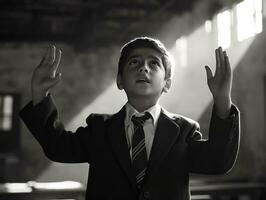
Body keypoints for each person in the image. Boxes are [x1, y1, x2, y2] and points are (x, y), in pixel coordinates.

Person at [20, 37, 240, 200]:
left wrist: (222, 100)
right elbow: (58, 146)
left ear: (167, 84)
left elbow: (218, 162)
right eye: (134, 62)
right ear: (119, 81)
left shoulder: (183, 130)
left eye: (154, 63)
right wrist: (40, 95)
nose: (143, 67)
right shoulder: (99, 128)